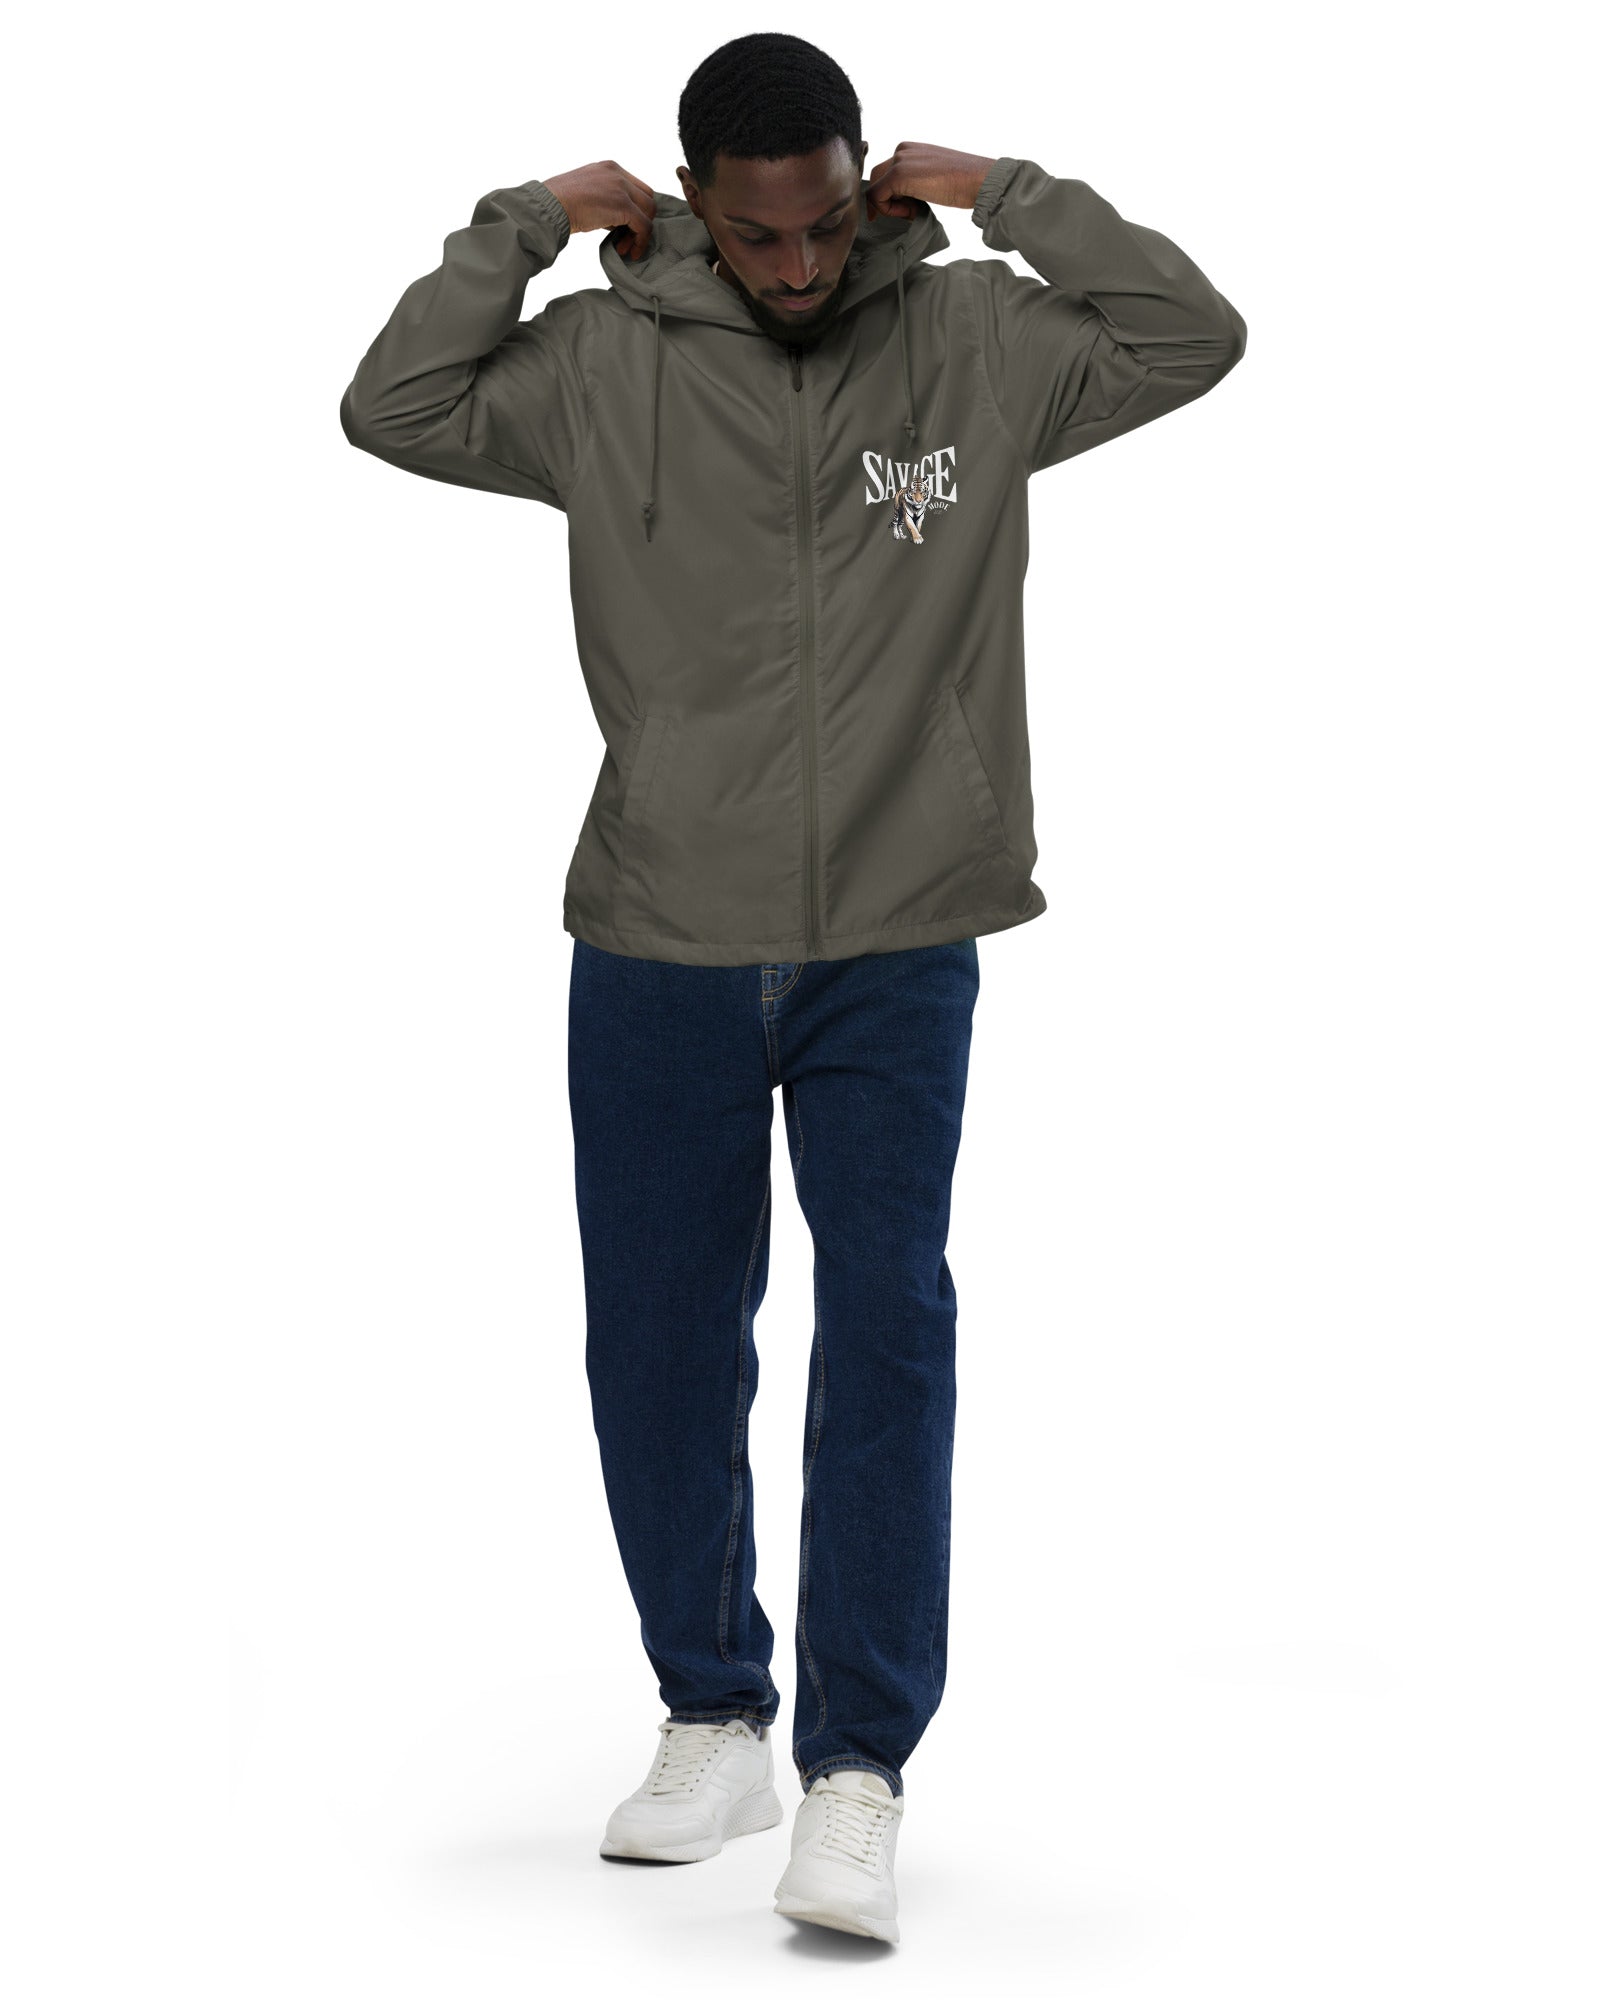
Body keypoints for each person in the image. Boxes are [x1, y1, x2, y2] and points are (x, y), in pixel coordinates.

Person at [341, 29, 1244, 1945]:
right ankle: (713, 1717)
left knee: (888, 1328)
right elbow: (393, 402)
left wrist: (1007, 192)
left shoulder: (978, 342)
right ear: (690, 205)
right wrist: (524, 222)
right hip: (659, 929)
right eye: (757, 238)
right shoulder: (602, 368)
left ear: (866, 186)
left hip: (899, 935)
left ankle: (857, 1772)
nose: (802, 268)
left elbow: (1193, 332)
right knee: (663, 1340)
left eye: (830, 225)